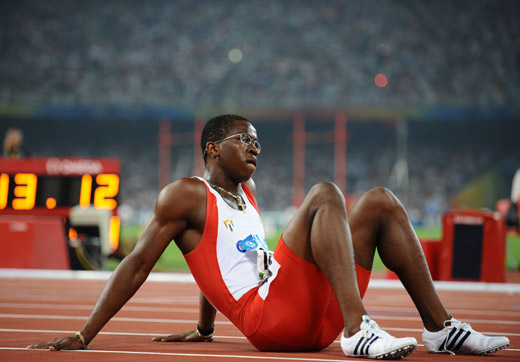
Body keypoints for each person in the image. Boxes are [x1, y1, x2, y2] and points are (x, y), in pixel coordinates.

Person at [28, 114, 510, 359]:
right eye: (244, 138)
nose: (256, 145)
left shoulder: (248, 191)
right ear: (213, 148)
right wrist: (83, 334)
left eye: (258, 139)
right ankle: (359, 328)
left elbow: (217, 257)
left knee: (381, 199)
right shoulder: (184, 196)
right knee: (325, 193)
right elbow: (135, 263)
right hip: (271, 320)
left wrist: (205, 328)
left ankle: (441, 329)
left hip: (310, 316)